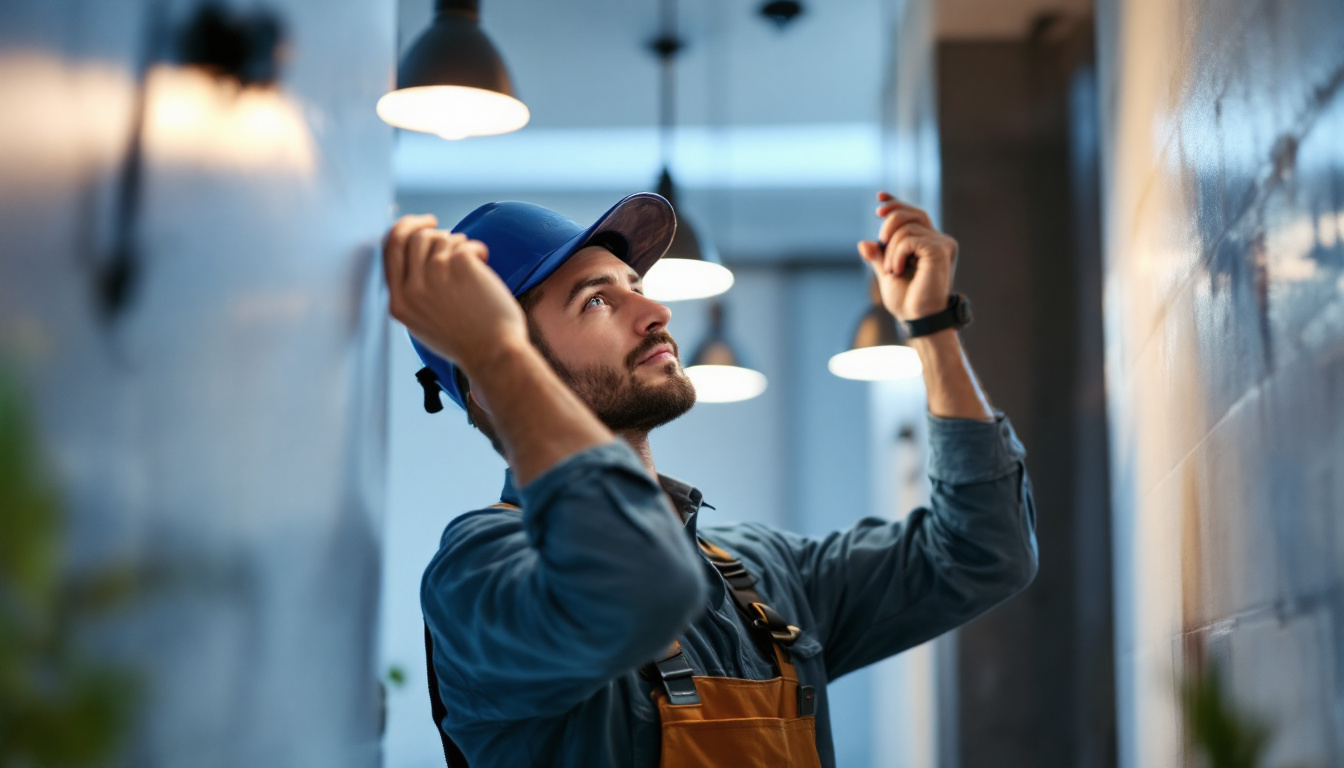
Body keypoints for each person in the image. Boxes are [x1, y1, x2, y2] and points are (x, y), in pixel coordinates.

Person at [383, 190, 1038, 768]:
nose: (655, 310)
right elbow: (635, 591)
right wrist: (494, 353)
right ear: (494, 379)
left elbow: (983, 551)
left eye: (633, 283)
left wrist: (931, 328)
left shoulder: (766, 573)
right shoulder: (479, 573)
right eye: (597, 301)